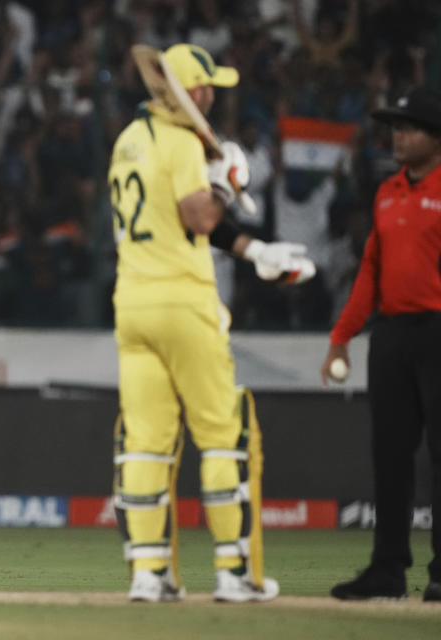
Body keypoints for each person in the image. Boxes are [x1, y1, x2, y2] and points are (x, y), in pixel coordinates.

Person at [109, 44, 315, 603]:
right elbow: (198, 216)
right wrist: (223, 184)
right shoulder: (179, 142)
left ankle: (148, 575)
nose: (214, 96)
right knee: (223, 435)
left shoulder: (128, 139)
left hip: (132, 304)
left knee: (147, 443)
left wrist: (255, 252)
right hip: (184, 301)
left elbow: (182, 221)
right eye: (209, 87)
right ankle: (234, 572)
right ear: (192, 91)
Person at [325, 86, 441, 603]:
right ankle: (387, 571)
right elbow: (370, 270)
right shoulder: (387, 191)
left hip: (439, 331)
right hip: (391, 336)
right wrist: (341, 337)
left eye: (409, 126)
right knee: (389, 457)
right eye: (394, 126)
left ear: (436, 138)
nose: (398, 135)